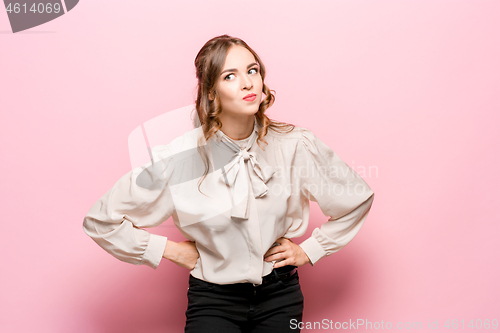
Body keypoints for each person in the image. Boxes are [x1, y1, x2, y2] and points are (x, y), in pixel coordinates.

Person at [83, 34, 375, 332]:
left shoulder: (295, 144)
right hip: (213, 298)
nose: (248, 83)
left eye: (252, 70)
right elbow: (101, 221)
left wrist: (311, 249)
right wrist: (167, 250)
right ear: (211, 92)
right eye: (230, 76)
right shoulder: (179, 159)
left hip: (281, 294)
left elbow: (355, 199)